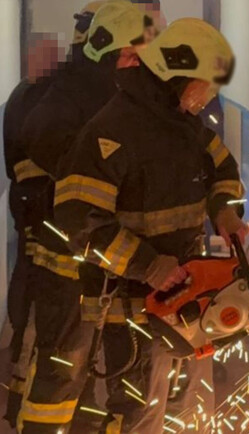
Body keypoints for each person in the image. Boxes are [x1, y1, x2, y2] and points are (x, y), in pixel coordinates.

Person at [54, 18, 248, 432]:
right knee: (140, 415)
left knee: (191, 408)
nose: (210, 95)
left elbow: (224, 170)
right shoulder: (110, 133)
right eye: (206, 84)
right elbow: (80, 221)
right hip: (132, 310)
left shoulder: (187, 127)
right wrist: (147, 265)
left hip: (190, 296)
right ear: (177, 75)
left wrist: (224, 210)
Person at [16, 2, 155, 433]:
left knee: (120, 372)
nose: (137, 65)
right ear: (104, 49)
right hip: (68, 265)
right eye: (130, 55)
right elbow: (60, 166)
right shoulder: (62, 101)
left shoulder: (115, 95)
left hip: (110, 260)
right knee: (62, 370)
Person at [2, 34, 63, 428]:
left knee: (28, 293)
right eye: (47, 56)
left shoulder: (29, 95)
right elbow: (23, 160)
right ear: (31, 59)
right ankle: (19, 397)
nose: (54, 64)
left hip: (31, 207)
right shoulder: (28, 99)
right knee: (29, 296)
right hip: (33, 210)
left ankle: (17, 396)